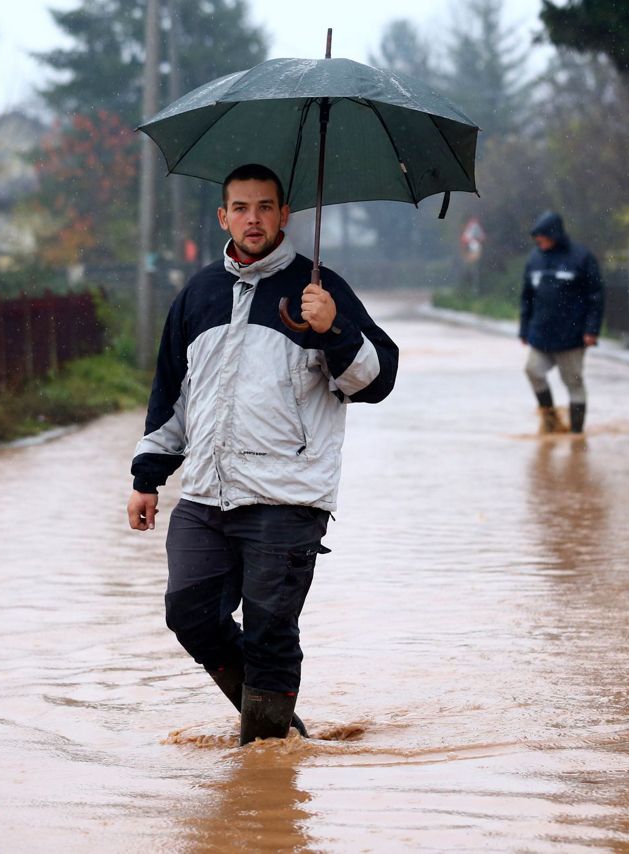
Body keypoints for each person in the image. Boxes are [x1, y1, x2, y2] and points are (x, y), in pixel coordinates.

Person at [126, 163, 398, 745]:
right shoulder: (197, 294)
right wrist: (148, 475)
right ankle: (281, 737)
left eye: (266, 207)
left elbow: (377, 381)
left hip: (288, 496)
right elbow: (171, 394)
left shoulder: (321, 291)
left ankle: (266, 767)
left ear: (284, 215)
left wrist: (334, 330)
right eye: (242, 208)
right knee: (189, 612)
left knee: (271, 630)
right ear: (223, 216)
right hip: (205, 491)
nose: (254, 219)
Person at [518, 210, 605, 434]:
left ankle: (576, 435)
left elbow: (595, 296)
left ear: (554, 234)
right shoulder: (534, 259)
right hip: (540, 334)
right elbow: (527, 296)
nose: (539, 240)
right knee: (532, 371)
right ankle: (551, 422)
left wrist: (591, 330)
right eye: (536, 236)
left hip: (572, 336)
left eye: (542, 235)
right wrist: (524, 328)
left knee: (573, 383)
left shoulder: (581, 257)